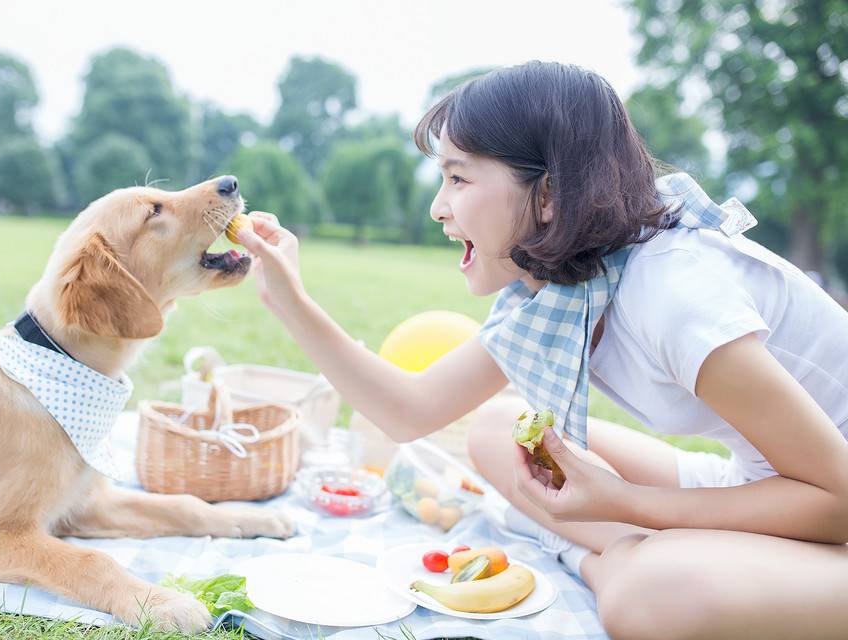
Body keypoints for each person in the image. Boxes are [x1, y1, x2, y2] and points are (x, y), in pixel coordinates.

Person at [234, 61, 848, 639]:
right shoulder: (564, 287)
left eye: (457, 177)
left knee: (649, 595)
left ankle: (608, 562)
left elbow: (837, 503)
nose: (437, 208)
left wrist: (629, 506)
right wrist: (291, 301)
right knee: (500, 429)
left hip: (831, 515)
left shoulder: (675, 294)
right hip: (760, 485)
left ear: (550, 195)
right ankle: (630, 552)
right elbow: (408, 411)